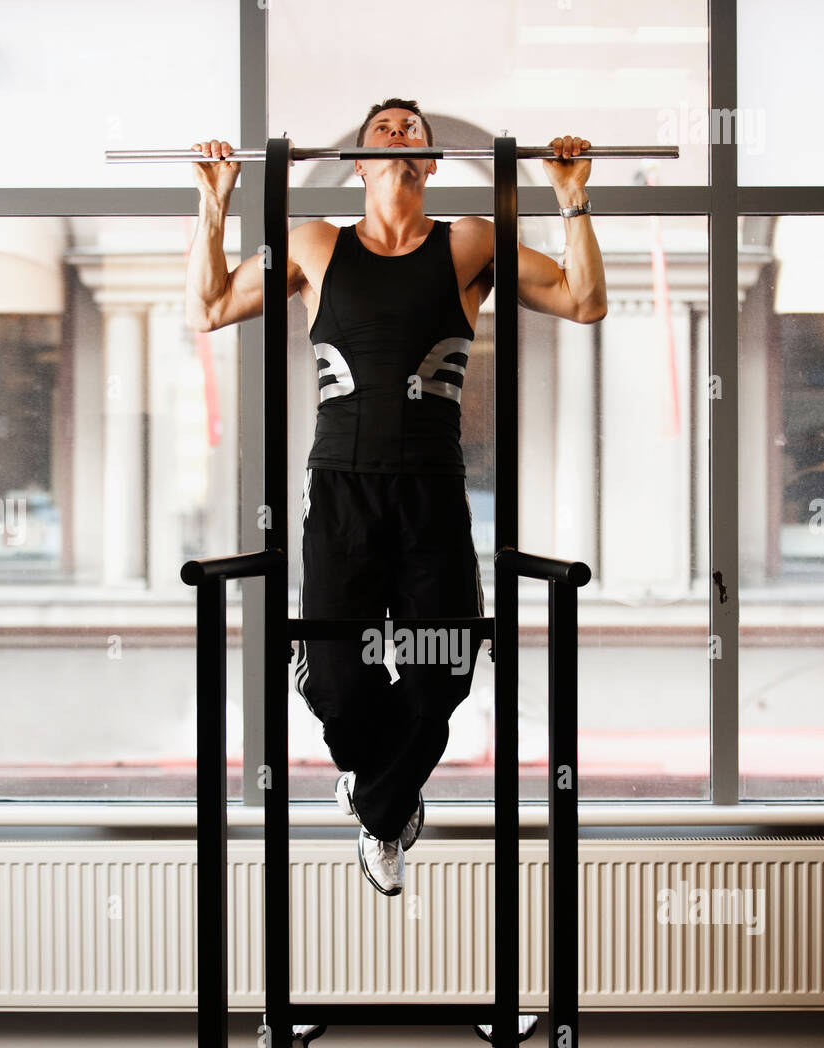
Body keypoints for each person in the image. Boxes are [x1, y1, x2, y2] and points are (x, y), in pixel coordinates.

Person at [186, 99, 607, 897]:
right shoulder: (315, 245)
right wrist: (214, 203)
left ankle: (375, 804)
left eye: (413, 129)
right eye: (386, 128)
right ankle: (387, 796)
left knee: (444, 672)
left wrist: (572, 196)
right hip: (340, 489)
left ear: (432, 160)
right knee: (335, 680)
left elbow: (584, 300)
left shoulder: (467, 243)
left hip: (432, 493)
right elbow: (208, 307)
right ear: (359, 161)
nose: (401, 135)